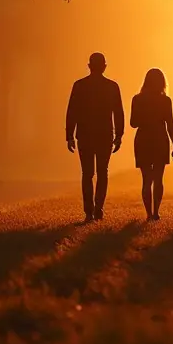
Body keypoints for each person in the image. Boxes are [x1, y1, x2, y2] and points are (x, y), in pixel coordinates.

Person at [65, 52, 124, 223]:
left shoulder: (79, 86)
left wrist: (69, 135)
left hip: (84, 135)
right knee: (102, 173)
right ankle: (98, 208)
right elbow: (118, 113)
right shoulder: (112, 87)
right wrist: (119, 135)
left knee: (87, 174)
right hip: (105, 135)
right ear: (104, 66)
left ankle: (89, 211)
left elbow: (72, 112)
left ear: (89, 66)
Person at [130, 68, 173, 221]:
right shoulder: (165, 100)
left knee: (146, 179)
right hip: (160, 138)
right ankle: (156, 212)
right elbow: (170, 123)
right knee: (158, 178)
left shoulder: (137, 99)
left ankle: (148, 213)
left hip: (143, 138)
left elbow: (133, 123)